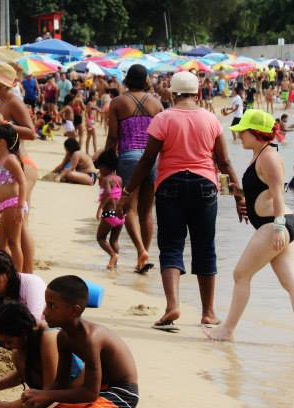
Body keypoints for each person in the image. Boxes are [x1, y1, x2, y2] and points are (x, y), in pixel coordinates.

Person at [125, 71, 243, 331]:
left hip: (170, 186)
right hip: (204, 186)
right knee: (205, 246)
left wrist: (127, 191)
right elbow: (223, 161)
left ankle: (172, 306)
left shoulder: (163, 119)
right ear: (198, 93)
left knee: (171, 246)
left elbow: (147, 160)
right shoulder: (211, 119)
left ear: (172, 93)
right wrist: (238, 193)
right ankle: (209, 313)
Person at [204, 110, 294, 346]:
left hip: (276, 223)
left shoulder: (268, 157)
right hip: (277, 222)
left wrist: (278, 226)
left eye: (243, 131)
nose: (239, 135)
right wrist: (241, 196)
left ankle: (227, 330)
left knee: (241, 274)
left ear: (256, 133)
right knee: (291, 282)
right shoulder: (260, 154)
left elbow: (277, 192)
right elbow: (263, 192)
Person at [20, 276, 140, 408]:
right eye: (46, 304)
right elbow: (60, 382)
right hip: (99, 389)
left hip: (122, 392)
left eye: (52, 306)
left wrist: (46, 395)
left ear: (74, 311)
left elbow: (90, 393)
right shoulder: (63, 337)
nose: (45, 312)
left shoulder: (91, 339)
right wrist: (38, 405)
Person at [101, 65, 163, 274]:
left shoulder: (118, 103)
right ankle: (142, 257)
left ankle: (141, 251)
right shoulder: (157, 104)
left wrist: (108, 161)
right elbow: (162, 136)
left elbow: (113, 137)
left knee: (130, 209)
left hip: (128, 158)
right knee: (147, 212)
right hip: (152, 159)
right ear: (146, 80)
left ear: (127, 79)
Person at [0, 301, 84, 408]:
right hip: (55, 395)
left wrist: (10, 407)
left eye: (9, 341)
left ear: (23, 332)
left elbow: (51, 388)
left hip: (76, 393)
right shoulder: (21, 349)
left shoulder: (49, 336)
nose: (6, 346)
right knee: (17, 356)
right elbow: (23, 373)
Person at [0, 62, 39, 274]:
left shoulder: (13, 102)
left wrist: (4, 123)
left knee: (21, 223)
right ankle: (18, 271)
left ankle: (27, 273)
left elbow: (31, 132)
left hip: (21, 166)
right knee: (14, 226)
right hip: (9, 167)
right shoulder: (0, 102)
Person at [0, 124, 27, 270]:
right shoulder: (2, 159)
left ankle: (17, 275)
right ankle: (7, 270)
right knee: (0, 244)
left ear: (2, 141)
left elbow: (23, 182)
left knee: (13, 242)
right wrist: (0, 211)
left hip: (14, 204)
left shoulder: (11, 159)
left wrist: (19, 206)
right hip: (6, 206)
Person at [95, 150, 124, 270]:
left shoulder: (107, 179)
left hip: (109, 214)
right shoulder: (119, 179)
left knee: (100, 238)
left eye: (100, 167)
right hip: (120, 215)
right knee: (114, 241)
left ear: (105, 166)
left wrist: (99, 209)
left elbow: (108, 193)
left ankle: (112, 255)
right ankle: (115, 263)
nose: (99, 170)